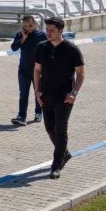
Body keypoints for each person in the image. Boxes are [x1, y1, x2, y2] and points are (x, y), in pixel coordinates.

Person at [33, 17, 85, 179]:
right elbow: (37, 70)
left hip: (64, 97)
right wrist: (37, 91)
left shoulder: (71, 49)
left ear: (61, 31)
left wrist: (73, 93)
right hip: (46, 95)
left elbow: (80, 73)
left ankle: (56, 166)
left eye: (51, 30)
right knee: (50, 128)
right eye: (46, 30)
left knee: (61, 131)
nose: (48, 33)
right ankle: (65, 153)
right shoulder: (41, 47)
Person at [11, 14, 47, 126]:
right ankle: (21, 116)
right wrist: (23, 39)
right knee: (23, 93)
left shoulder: (41, 35)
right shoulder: (20, 35)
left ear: (35, 24)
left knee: (38, 92)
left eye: (30, 26)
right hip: (23, 70)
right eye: (25, 26)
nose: (28, 28)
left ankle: (38, 113)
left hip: (38, 70)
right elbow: (14, 48)